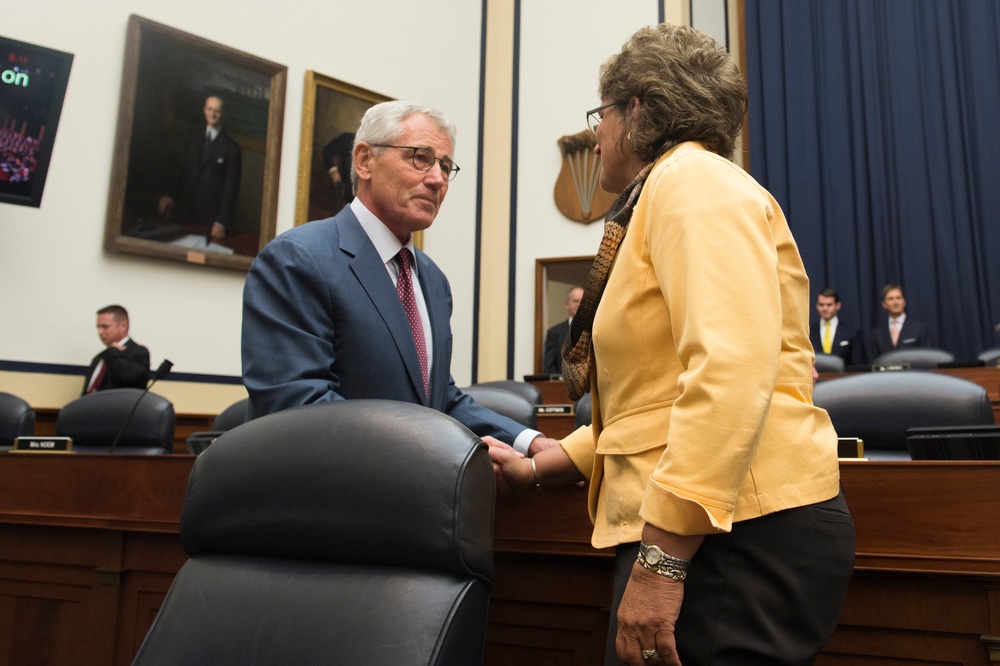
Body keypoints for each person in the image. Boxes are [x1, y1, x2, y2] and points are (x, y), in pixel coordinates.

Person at [487, 24, 854, 666]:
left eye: (600, 114)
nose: (596, 133)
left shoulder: (691, 182)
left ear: (637, 111)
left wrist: (661, 562)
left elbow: (730, 376)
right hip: (713, 529)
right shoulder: (668, 192)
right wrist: (544, 465)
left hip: (732, 534)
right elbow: (653, 402)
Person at [241, 100, 559, 456]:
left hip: (419, 499)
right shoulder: (298, 258)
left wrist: (532, 443)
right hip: (329, 501)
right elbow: (296, 409)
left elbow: (439, 400)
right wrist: (430, 457)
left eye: (446, 165)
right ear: (364, 161)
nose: (438, 179)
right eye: (419, 157)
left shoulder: (432, 280)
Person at [158, 95, 242, 241]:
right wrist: (168, 194)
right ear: (204, 111)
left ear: (223, 114)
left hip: (210, 217)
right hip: (184, 209)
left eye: (217, 111)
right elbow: (181, 169)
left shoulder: (231, 148)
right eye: (209, 109)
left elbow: (231, 189)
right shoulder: (193, 139)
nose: (213, 114)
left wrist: (221, 221)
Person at [82, 305, 150, 394]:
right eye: (98, 327)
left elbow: (126, 379)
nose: (100, 332)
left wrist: (113, 352)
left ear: (123, 326)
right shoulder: (100, 357)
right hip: (90, 407)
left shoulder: (138, 352)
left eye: (105, 327)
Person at [867, 283, 932, 361]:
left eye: (898, 298)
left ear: (904, 302)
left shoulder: (919, 329)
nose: (895, 302)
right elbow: (873, 362)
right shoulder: (877, 333)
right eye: (890, 299)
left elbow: (926, 358)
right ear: (884, 304)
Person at [810, 288, 861, 365]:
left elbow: (858, 364)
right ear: (817, 306)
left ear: (838, 305)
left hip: (844, 376)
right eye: (821, 305)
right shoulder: (809, 332)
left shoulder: (851, 333)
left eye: (829, 305)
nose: (825, 308)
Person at [542, 285, 584, 375]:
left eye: (583, 301)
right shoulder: (554, 333)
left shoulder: (594, 332)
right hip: (561, 385)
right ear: (567, 305)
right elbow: (549, 369)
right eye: (576, 301)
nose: (580, 304)